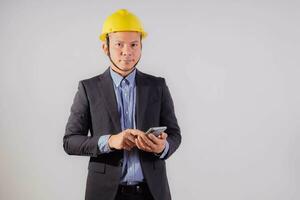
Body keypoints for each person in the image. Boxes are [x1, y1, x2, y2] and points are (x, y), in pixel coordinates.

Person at [63, 9, 181, 200]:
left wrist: (163, 147)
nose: (127, 51)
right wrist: (110, 141)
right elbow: (70, 142)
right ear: (105, 48)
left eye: (134, 44)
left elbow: (175, 134)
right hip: (105, 193)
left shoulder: (157, 86)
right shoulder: (88, 88)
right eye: (119, 44)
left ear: (141, 46)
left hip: (153, 192)